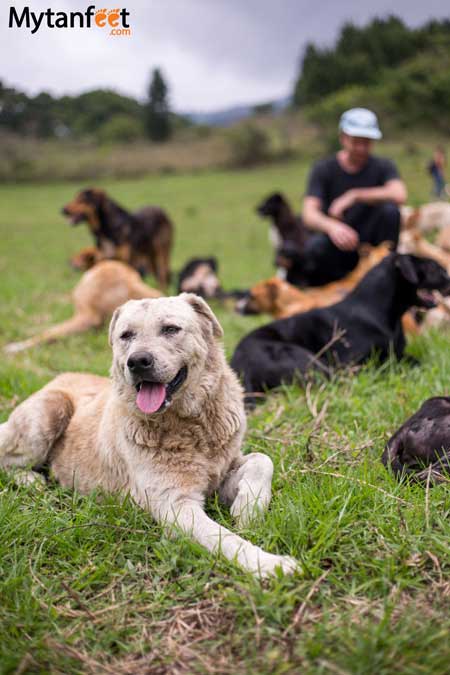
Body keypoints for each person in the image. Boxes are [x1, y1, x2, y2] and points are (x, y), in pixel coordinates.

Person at [293, 108, 407, 286]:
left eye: (367, 142)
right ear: (343, 138)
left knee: (390, 212)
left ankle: (386, 276)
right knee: (315, 247)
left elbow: (399, 194)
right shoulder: (323, 169)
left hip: (372, 242)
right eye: (356, 142)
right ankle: (329, 292)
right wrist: (332, 227)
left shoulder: (383, 166)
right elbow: (309, 214)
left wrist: (355, 195)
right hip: (339, 243)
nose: (361, 148)